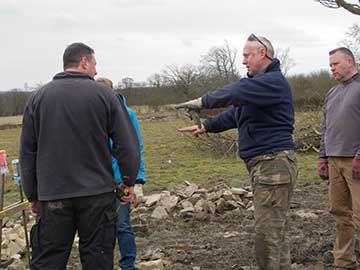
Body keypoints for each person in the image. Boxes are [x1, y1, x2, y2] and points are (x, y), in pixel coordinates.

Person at [175, 34, 298, 270]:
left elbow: (236, 92)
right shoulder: (259, 88)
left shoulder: (271, 81)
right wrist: (207, 126)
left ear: (263, 54)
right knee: (275, 231)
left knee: (267, 234)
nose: (243, 61)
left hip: (273, 163)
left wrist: (203, 101)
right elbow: (236, 114)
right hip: (267, 164)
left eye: (247, 55)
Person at [19, 42, 140, 270]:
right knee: (98, 258)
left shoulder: (37, 98)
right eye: (94, 63)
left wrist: (33, 193)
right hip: (97, 194)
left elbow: (27, 152)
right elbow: (127, 144)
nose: (96, 70)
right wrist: (128, 182)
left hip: (53, 195)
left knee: (48, 261)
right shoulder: (105, 95)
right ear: (84, 61)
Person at [96, 77, 146, 270]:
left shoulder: (127, 115)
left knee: (122, 224)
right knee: (99, 228)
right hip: (97, 181)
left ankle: (128, 265)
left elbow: (135, 146)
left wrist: (136, 178)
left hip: (120, 180)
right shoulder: (92, 116)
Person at [318, 47, 360, 270]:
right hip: (334, 161)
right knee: (340, 213)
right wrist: (322, 157)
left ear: (350, 62)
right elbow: (326, 127)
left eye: (335, 63)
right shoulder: (331, 93)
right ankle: (344, 262)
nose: (331, 68)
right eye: (330, 64)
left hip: (355, 161)